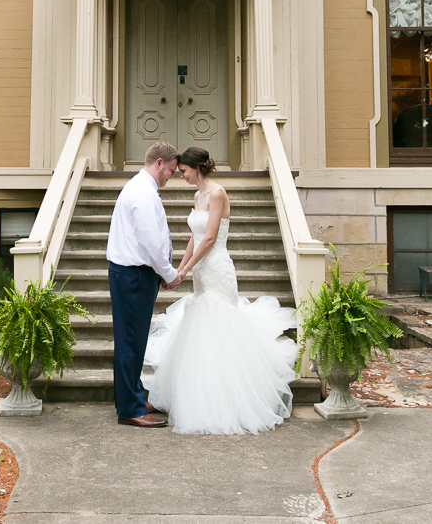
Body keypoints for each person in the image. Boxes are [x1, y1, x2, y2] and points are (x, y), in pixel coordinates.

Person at [142, 146, 298, 435]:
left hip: (216, 268)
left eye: (184, 171)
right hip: (200, 270)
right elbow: (195, 236)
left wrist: (186, 270)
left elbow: (211, 237)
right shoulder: (197, 195)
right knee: (201, 327)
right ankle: (199, 393)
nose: (182, 176)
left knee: (220, 325)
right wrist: (180, 267)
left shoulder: (217, 194)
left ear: (196, 168)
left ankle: (227, 399)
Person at [107, 141, 183, 427]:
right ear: (159, 163)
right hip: (133, 275)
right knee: (130, 341)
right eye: (171, 170)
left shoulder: (141, 188)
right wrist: (167, 273)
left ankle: (134, 396)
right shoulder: (143, 193)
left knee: (134, 340)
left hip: (135, 274)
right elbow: (150, 241)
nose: (172, 176)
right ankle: (130, 409)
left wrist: (159, 272)